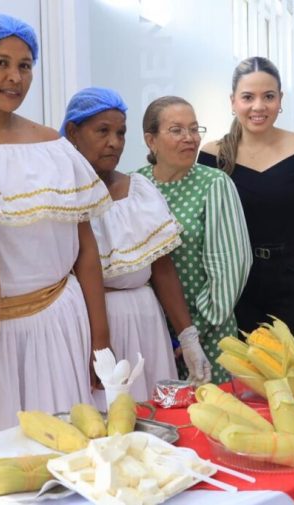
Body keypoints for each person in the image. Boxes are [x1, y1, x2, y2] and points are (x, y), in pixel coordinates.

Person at [0, 14, 111, 431]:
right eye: (1, 63)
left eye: (25, 65)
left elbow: (85, 250)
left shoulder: (53, 147)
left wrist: (99, 338)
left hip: (58, 324)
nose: (15, 77)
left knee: (65, 451)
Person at [61, 87, 212, 394]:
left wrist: (188, 337)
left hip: (145, 320)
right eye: (103, 131)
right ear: (74, 132)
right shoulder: (59, 196)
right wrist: (99, 343)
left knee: (151, 415)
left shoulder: (139, 190)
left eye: (121, 133)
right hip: (89, 324)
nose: (114, 142)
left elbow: (162, 268)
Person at [199, 56, 294, 358]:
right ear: (233, 101)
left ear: (280, 100)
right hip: (236, 288)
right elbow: (204, 234)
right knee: (245, 389)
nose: (258, 106)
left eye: (268, 96)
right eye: (248, 97)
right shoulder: (212, 156)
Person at [137, 96, 252, 384]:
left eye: (194, 129)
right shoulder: (135, 185)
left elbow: (230, 269)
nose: (189, 138)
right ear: (151, 140)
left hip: (206, 333)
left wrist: (191, 332)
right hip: (149, 331)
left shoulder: (214, 184)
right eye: (176, 130)